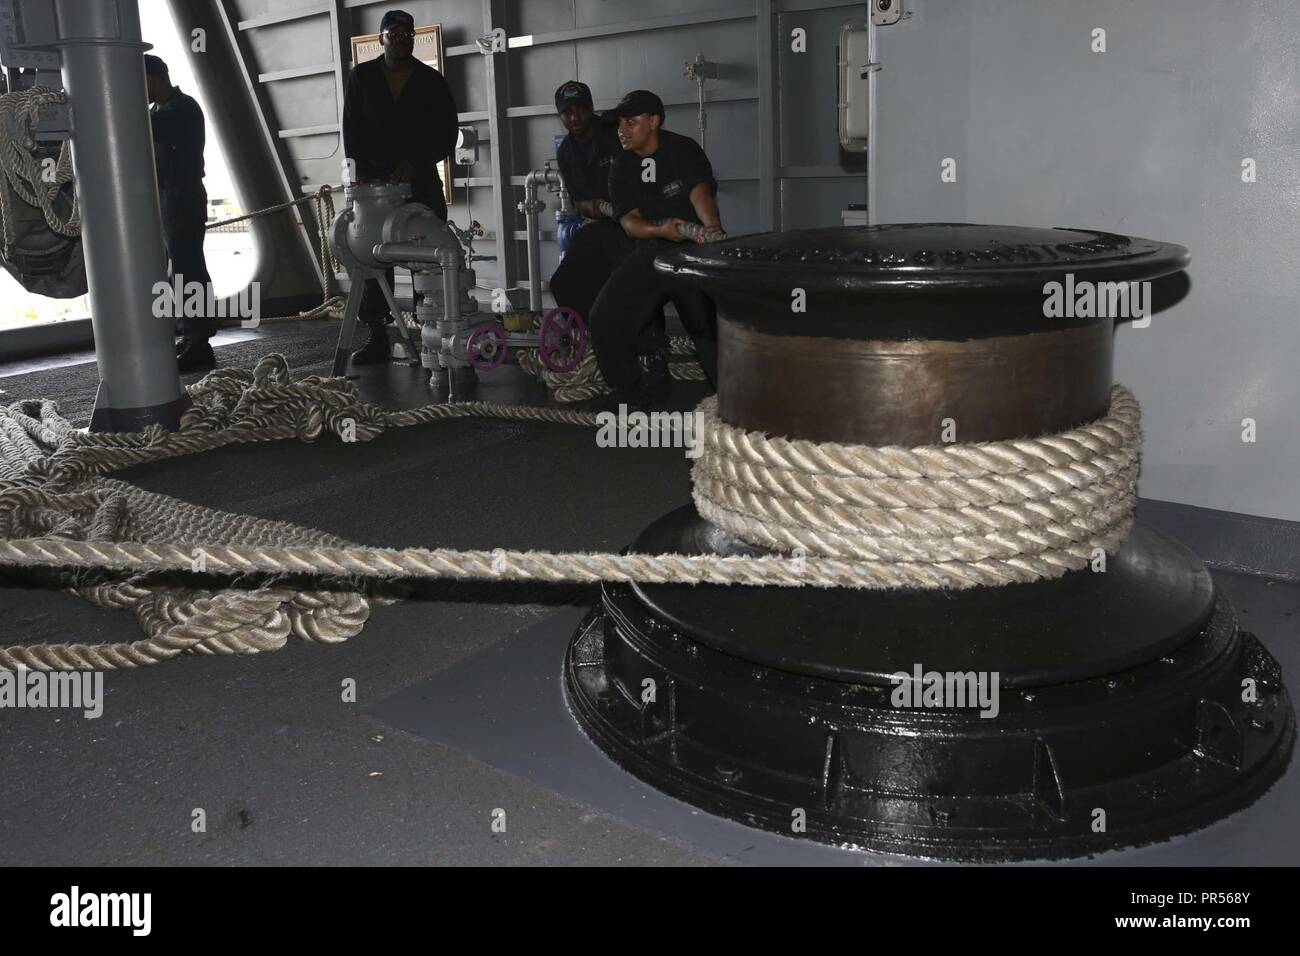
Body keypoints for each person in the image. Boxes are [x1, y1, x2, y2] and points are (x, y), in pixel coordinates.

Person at [588, 90, 723, 409]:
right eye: (620, 123)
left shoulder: (683, 149)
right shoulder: (621, 165)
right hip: (652, 250)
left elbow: (699, 194)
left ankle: (733, 403)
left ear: (654, 121)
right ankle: (628, 389)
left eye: (631, 122)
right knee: (604, 318)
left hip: (692, 252)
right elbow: (630, 223)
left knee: (707, 330)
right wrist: (662, 230)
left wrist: (711, 227)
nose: (622, 130)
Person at [342, 9, 458, 365]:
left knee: (431, 256)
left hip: (420, 181)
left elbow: (447, 134)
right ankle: (378, 334)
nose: (401, 39)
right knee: (373, 258)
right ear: (381, 38)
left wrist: (417, 163)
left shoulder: (431, 81)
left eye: (407, 34)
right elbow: (352, 129)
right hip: (376, 187)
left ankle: (435, 337)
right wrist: (359, 175)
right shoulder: (362, 77)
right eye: (394, 33)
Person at [548, 81, 670, 363]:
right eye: (567, 112)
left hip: (636, 223)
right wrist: (589, 207)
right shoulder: (566, 151)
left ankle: (654, 349)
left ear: (591, 108)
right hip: (601, 225)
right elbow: (579, 200)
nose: (574, 117)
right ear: (561, 116)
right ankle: (599, 337)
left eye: (580, 109)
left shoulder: (617, 133)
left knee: (635, 281)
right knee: (562, 282)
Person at [145, 54, 214, 373]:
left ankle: (200, 342)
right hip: (166, 197)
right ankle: (190, 333)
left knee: (188, 268)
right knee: (179, 270)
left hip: (183, 195)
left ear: (155, 79)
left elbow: (152, 128)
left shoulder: (182, 109)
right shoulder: (157, 111)